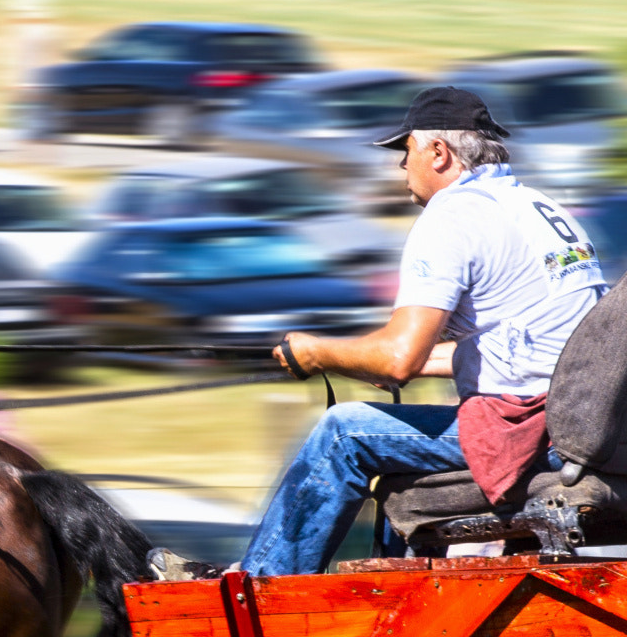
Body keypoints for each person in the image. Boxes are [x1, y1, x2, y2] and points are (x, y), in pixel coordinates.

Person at [239, 86, 607, 576]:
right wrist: (381, 360)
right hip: (582, 418)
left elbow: (397, 358)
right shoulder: (537, 206)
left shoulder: (453, 216)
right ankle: (392, 584)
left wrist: (316, 352)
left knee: (342, 432)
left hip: (531, 426)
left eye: (405, 151)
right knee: (381, 435)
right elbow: (511, 345)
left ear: (438, 151)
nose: (400, 167)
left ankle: (257, 587)